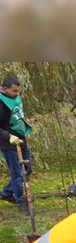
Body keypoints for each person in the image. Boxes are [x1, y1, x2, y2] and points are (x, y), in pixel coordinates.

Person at [0, 76, 32, 214]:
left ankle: (7, 192)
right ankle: (21, 202)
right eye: (14, 91)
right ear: (5, 89)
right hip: (8, 142)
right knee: (18, 174)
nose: (17, 94)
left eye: (19, 91)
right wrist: (8, 137)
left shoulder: (14, 98)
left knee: (28, 169)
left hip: (20, 139)